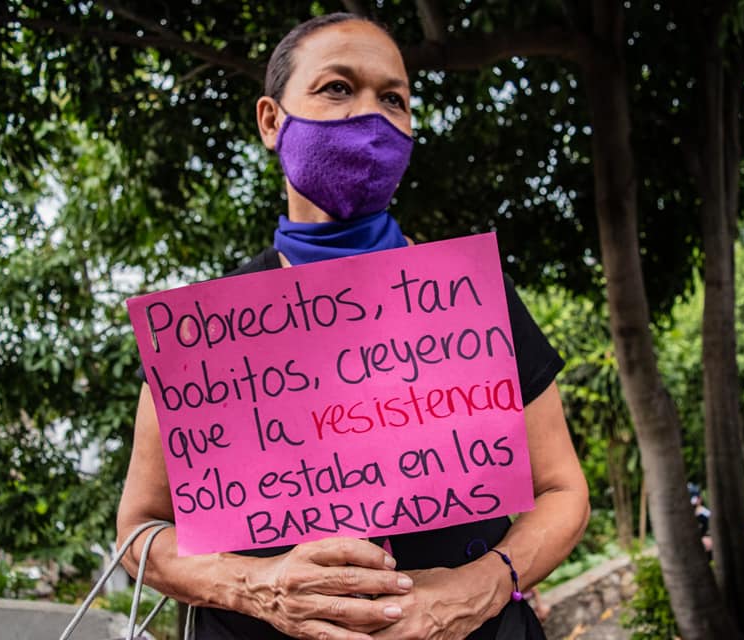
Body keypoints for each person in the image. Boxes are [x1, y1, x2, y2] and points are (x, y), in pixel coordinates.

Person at [116, 13, 590, 640]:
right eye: (337, 87)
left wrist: (477, 587)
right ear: (270, 120)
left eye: (393, 98)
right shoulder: (205, 330)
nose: (370, 116)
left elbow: (563, 492)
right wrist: (254, 587)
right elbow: (141, 530)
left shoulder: (474, 299)